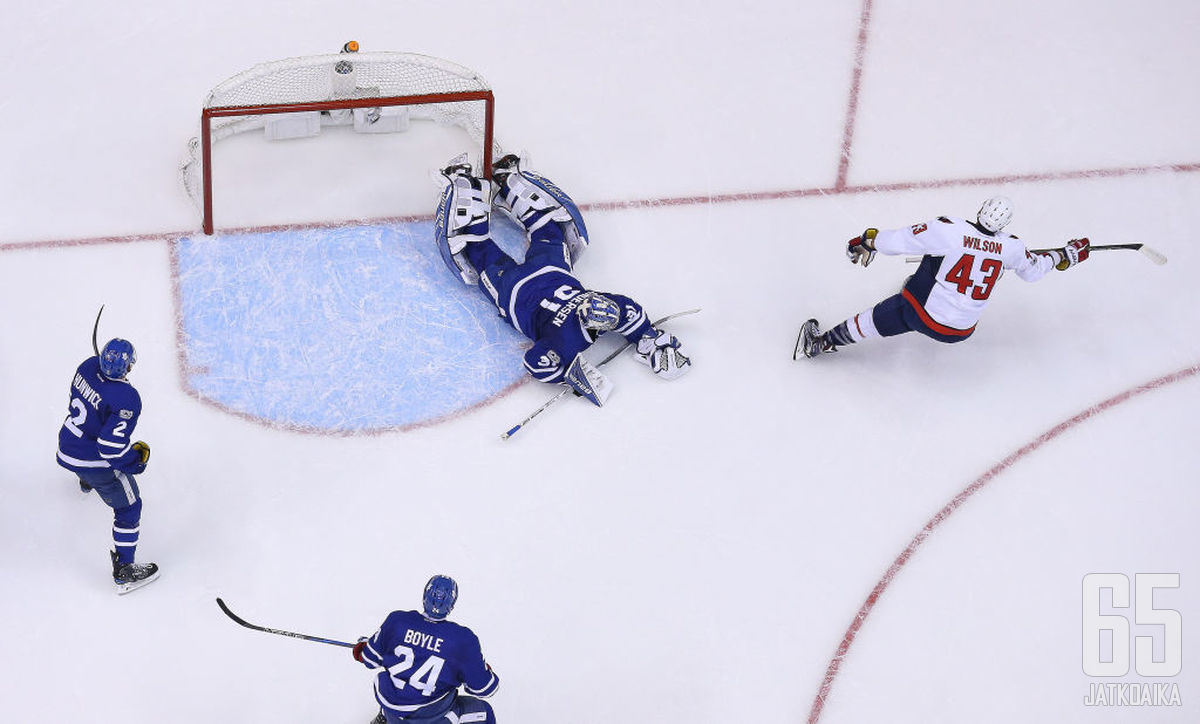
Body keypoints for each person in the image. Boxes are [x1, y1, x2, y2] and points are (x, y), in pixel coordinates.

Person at [434, 153, 691, 406]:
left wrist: (649, 337)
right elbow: (535, 363)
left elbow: (629, 315)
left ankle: (501, 180)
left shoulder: (604, 313)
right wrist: (568, 375)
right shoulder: (566, 343)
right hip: (516, 291)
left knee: (549, 232)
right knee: (480, 253)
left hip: (549, 273)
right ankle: (466, 184)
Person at [794, 196, 1091, 358]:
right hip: (961, 331)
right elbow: (1035, 270)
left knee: (882, 315)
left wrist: (867, 240)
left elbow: (896, 242)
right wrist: (1065, 255)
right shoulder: (1012, 248)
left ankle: (822, 343)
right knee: (938, 271)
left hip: (921, 315)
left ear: (980, 210)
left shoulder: (948, 230)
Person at [56, 337, 157, 594]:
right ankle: (124, 570)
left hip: (67, 445)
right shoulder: (127, 398)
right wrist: (135, 462)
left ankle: (86, 481)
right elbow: (110, 449)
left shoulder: (87, 366)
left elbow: (87, 403)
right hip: (92, 460)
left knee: (90, 463)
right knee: (130, 506)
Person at [354, 575, 499, 724]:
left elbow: (369, 659)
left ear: (425, 595)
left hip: (394, 711)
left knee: (393, 684)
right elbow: (485, 688)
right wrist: (481, 669)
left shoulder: (396, 621)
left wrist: (365, 646)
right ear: (452, 604)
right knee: (484, 711)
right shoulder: (463, 640)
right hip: (430, 717)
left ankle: (385, 718)